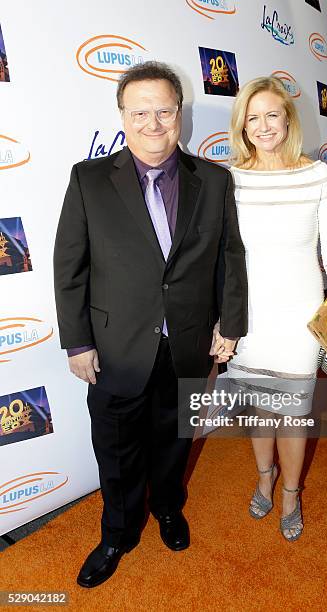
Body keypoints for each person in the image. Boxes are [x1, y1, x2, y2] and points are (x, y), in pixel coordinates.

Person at [53, 61, 247, 588]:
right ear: (122, 115)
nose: (153, 122)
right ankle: (117, 532)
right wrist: (76, 341)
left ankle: (166, 507)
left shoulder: (213, 179)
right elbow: (69, 267)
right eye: (140, 112)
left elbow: (230, 258)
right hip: (115, 346)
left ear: (179, 112)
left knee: (175, 438)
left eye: (164, 109)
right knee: (115, 449)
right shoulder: (89, 179)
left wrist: (229, 325)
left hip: (188, 343)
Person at [227, 76, 327, 542]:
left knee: (293, 414)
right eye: (253, 117)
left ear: (288, 120)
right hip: (252, 318)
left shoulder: (316, 174)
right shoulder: (233, 179)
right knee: (261, 411)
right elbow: (224, 257)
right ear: (242, 125)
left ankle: (289, 491)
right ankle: (263, 476)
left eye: (271, 115)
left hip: (300, 317)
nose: (263, 126)